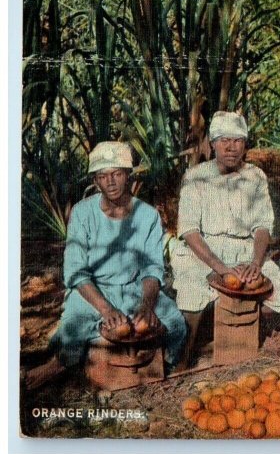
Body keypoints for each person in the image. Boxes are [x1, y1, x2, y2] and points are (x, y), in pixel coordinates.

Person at [24, 142, 187, 389]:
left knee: (174, 323)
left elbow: (152, 269)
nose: (110, 181)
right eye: (102, 176)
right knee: (72, 328)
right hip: (94, 290)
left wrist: (146, 305)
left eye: (117, 174)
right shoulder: (82, 213)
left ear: (128, 176)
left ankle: (160, 366)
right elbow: (77, 271)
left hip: (134, 288)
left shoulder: (147, 215)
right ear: (95, 181)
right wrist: (106, 310)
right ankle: (57, 365)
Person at [171, 111, 280, 368]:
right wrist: (221, 269)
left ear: (245, 144)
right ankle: (185, 355)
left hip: (243, 249)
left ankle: (232, 335)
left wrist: (255, 262)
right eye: (223, 140)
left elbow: (262, 226)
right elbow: (190, 232)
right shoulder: (196, 177)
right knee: (192, 291)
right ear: (212, 143)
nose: (230, 147)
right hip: (203, 250)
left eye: (237, 140)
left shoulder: (255, 176)